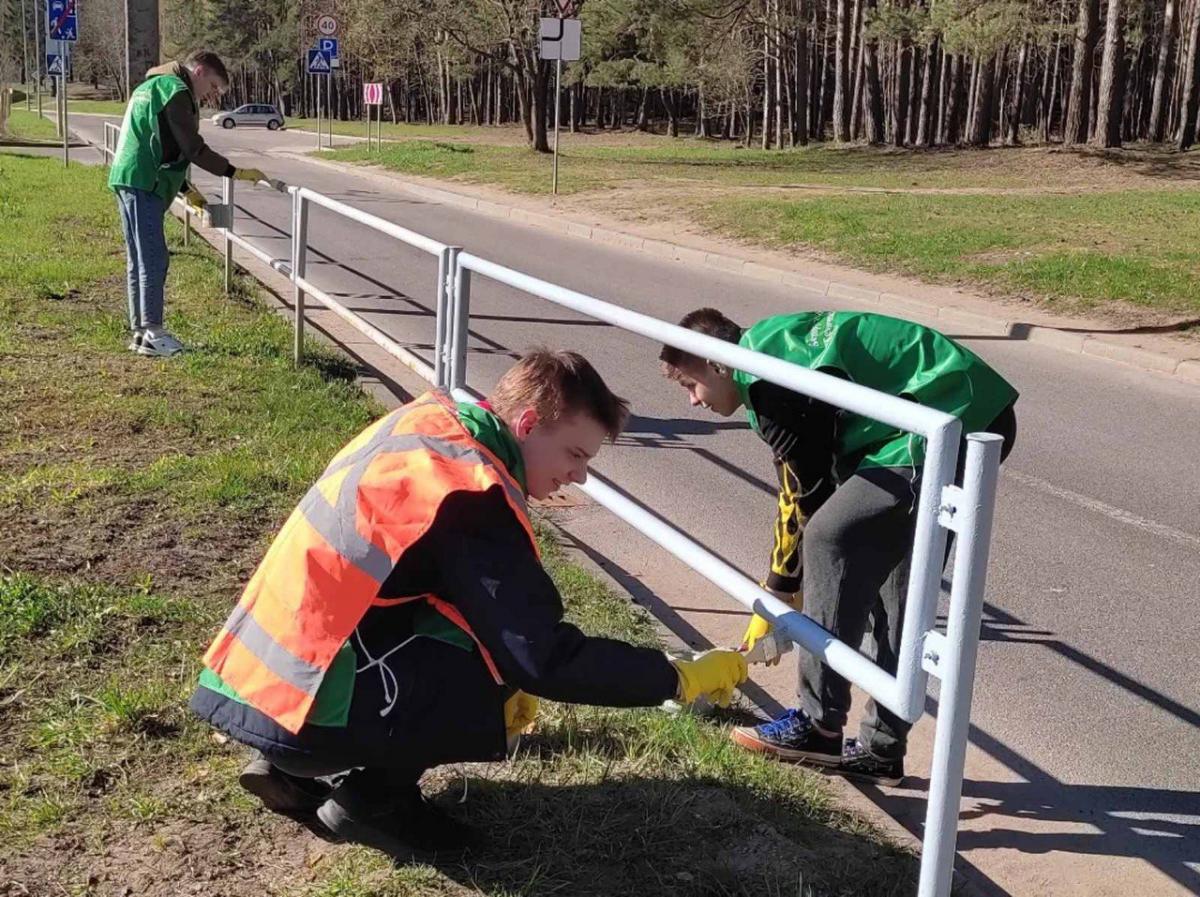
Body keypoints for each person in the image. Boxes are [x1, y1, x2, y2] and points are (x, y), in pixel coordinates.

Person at [190, 350, 748, 858]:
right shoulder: (473, 492)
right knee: (497, 655)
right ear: (526, 424)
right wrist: (674, 679)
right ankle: (374, 801)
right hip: (302, 715)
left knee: (471, 625)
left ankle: (292, 771)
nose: (578, 476)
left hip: (251, 681)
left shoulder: (426, 424)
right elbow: (542, 658)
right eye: (575, 454)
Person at [659, 309, 1018, 786]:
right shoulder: (767, 357)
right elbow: (799, 489)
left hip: (946, 414)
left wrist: (783, 591)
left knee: (831, 538)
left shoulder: (770, 385)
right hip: (959, 410)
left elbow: (808, 504)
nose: (692, 403)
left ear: (717, 364)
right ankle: (882, 749)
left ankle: (818, 725)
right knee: (898, 591)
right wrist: (780, 589)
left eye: (691, 385)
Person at [107, 50, 272, 357]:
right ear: (198, 72)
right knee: (154, 258)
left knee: (139, 258)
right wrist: (234, 172)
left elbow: (162, 145)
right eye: (211, 87)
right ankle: (153, 332)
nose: (210, 96)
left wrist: (186, 189)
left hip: (129, 175)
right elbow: (192, 148)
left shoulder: (151, 86)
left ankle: (140, 333)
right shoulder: (177, 91)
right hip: (145, 181)